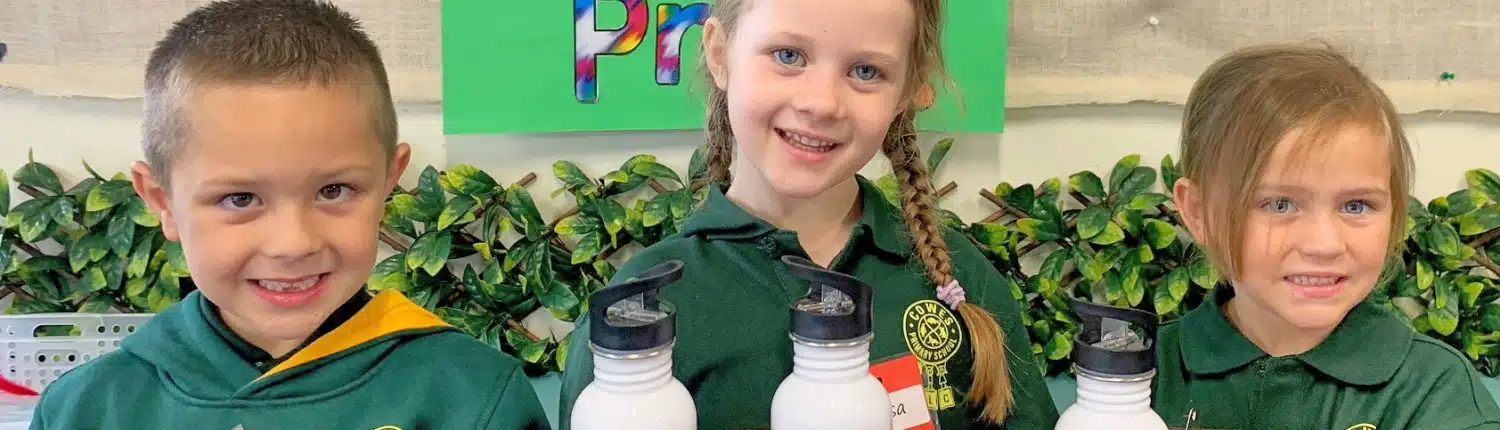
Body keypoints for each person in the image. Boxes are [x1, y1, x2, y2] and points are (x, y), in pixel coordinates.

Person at [28, 1, 550, 428]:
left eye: (334, 190)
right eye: (239, 199)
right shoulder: (85, 409)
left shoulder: (476, 399)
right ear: (162, 202)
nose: (293, 243)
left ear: (388, 181)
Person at [557, 0, 1058, 428]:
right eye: (788, 55)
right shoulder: (636, 309)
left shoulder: (957, 277)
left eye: (866, 71)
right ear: (719, 53)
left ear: (907, 91)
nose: (821, 104)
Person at [1156, 42, 1500, 429]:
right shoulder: (1141, 373)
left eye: (1356, 205)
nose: (1325, 245)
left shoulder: (1434, 390)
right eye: (1279, 204)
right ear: (1199, 212)